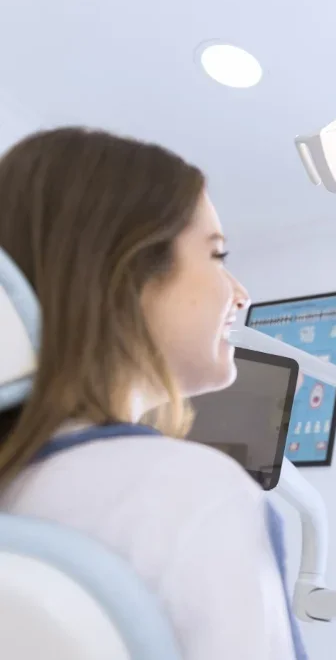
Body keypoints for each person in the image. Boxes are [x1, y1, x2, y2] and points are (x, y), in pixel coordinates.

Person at [0, 127, 304, 659]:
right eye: (217, 254)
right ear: (127, 271)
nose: (240, 293)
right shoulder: (186, 494)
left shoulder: (21, 484)